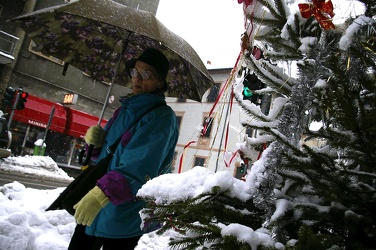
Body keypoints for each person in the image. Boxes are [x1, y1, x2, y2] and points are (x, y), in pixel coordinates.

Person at [68, 48, 179, 250]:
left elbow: (140, 167)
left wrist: (101, 195)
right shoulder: (124, 109)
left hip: (124, 215)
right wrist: (95, 144)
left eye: (147, 75)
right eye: (135, 72)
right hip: (98, 205)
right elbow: (105, 157)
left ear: (160, 83)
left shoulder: (161, 117)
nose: (137, 79)